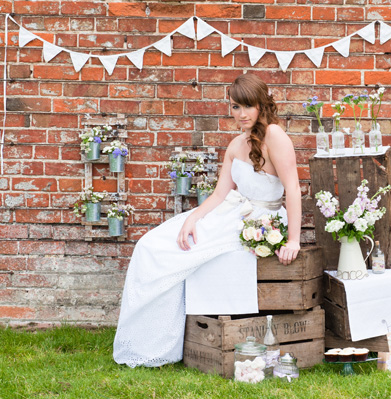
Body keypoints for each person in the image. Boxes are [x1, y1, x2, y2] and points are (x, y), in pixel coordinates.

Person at [113, 73, 301, 367]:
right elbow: (218, 194)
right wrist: (193, 218)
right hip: (232, 210)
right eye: (235, 107)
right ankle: (146, 341)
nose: (240, 114)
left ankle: (159, 344)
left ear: (261, 105)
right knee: (151, 245)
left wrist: (293, 239)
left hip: (263, 217)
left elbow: (293, 188)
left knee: (183, 253)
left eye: (246, 107)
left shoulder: (275, 136)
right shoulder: (236, 144)